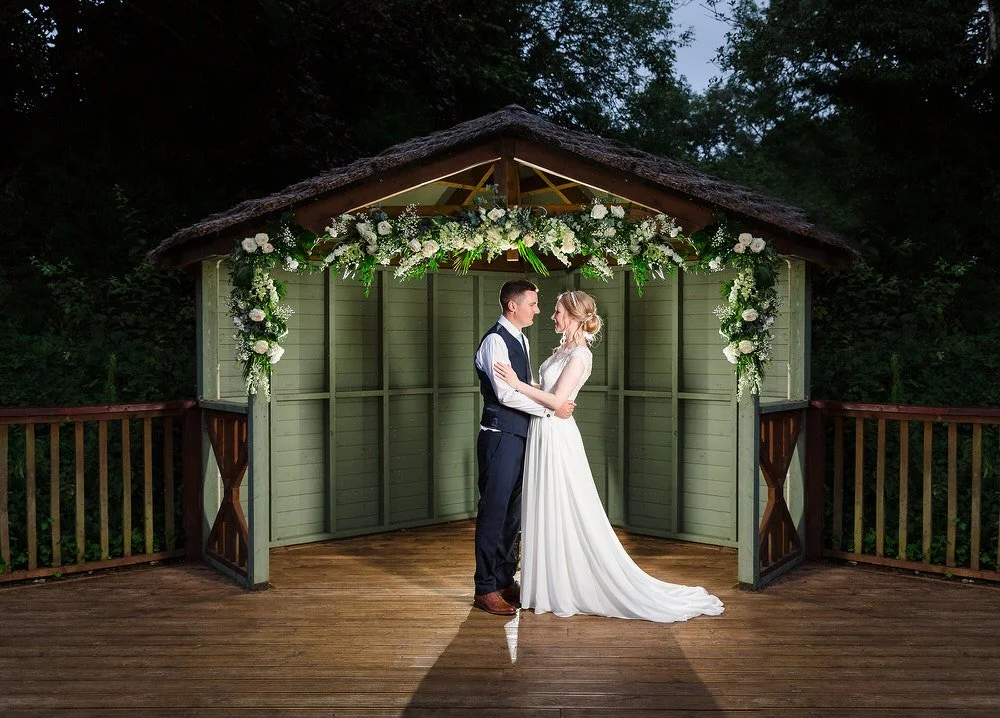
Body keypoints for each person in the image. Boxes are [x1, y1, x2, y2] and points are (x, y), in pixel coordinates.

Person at [494, 290, 725, 622]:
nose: (552, 316)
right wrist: (532, 389)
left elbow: (558, 401)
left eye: (558, 311)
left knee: (562, 502)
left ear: (574, 316)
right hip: (542, 430)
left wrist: (517, 383)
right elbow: (550, 395)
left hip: (556, 435)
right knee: (545, 503)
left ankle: (562, 585)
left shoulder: (580, 356)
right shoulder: (562, 350)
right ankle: (545, 583)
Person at [472, 279, 575, 616]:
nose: (538, 310)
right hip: (500, 436)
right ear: (512, 305)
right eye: (532, 304)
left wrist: (548, 401)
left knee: (513, 514)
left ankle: (504, 579)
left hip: (522, 436)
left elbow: (524, 385)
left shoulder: (521, 339)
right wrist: (550, 409)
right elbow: (505, 395)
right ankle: (485, 587)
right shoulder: (494, 341)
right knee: (494, 511)